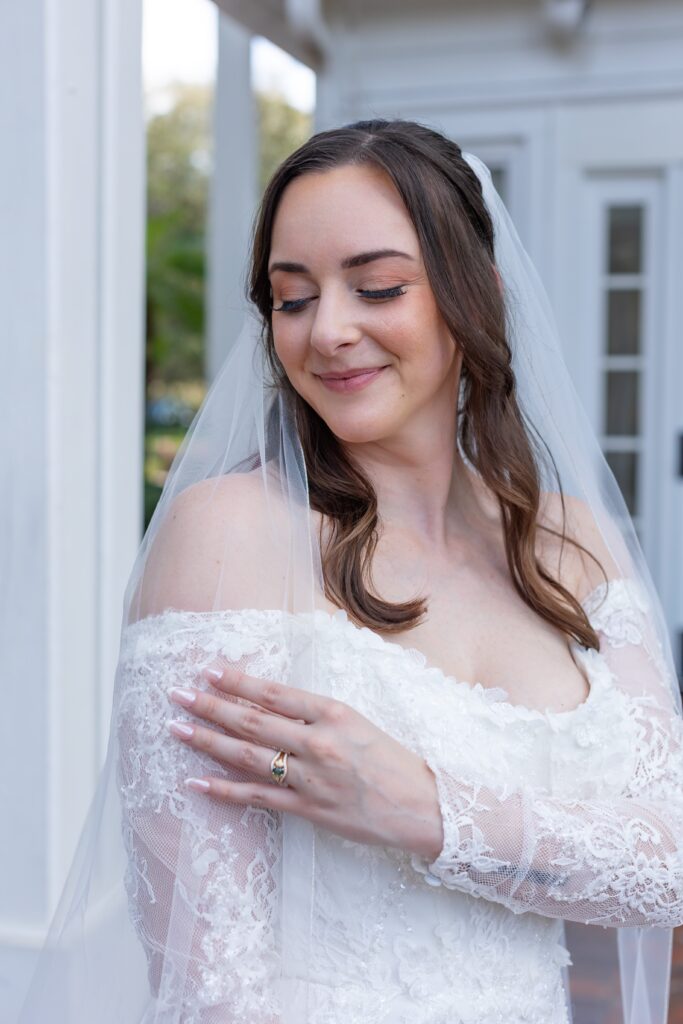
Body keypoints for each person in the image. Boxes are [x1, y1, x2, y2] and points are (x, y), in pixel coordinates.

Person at [15, 118, 683, 1024]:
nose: (327, 331)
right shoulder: (227, 538)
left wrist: (427, 812)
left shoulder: (575, 545)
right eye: (292, 300)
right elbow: (209, 981)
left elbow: (667, 867)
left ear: (473, 293)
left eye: (376, 287)